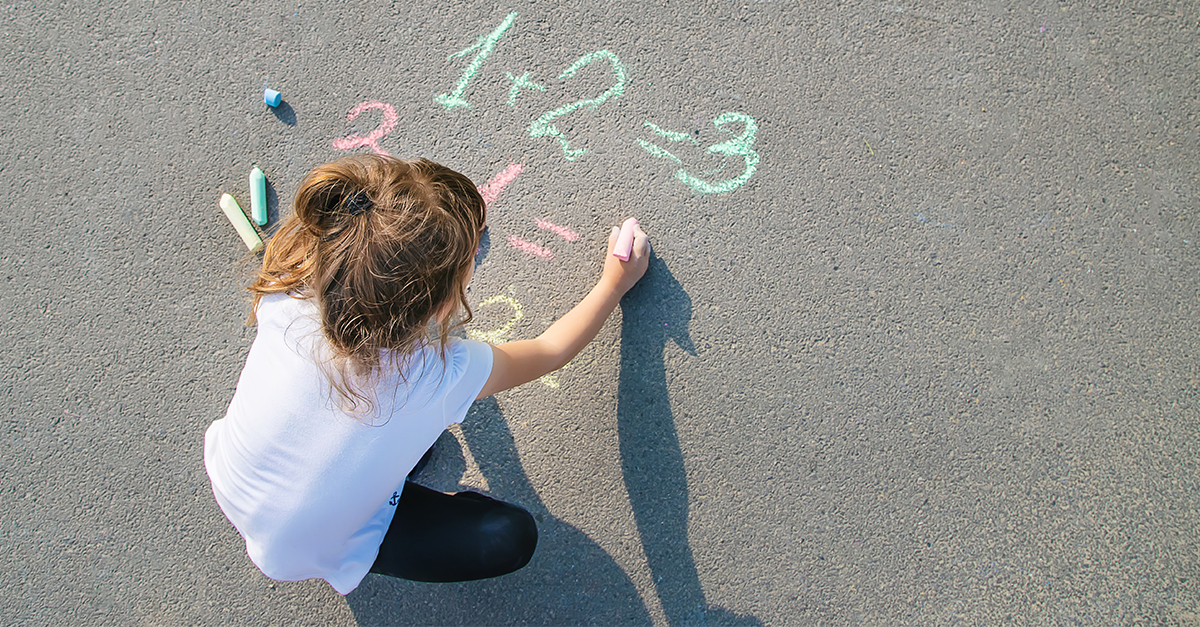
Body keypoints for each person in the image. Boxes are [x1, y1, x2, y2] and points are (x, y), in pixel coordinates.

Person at [203, 154, 649, 595]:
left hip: (234, 476)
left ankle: (393, 473)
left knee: (390, 439)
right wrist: (615, 283)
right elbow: (550, 350)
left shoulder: (289, 287)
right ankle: (386, 504)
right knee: (509, 536)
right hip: (312, 549)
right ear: (438, 306)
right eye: (469, 261)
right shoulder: (438, 374)